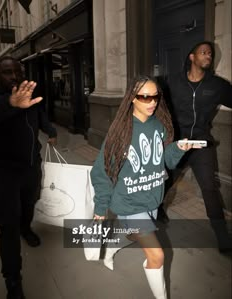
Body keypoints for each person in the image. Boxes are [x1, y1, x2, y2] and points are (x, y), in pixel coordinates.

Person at [90, 76, 199, 298]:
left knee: (131, 236)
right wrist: (101, 207)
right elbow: (101, 171)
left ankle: (110, 249)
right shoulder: (120, 131)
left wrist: (179, 147)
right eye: (145, 97)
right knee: (156, 255)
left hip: (152, 198)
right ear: (132, 98)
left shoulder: (158, 125)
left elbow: (165, 161)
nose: (152, 102)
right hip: (129, 202)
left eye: (155, 96)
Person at [159, 41, 232, 253]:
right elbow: (156, 101)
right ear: (192, 57)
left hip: (202, 144)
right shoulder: (173, 81)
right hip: (177, 143)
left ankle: (222, 237)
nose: (208, 55)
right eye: (203, 52)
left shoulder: (217, 86)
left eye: (210, 53)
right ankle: (157, 211)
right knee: (165, 179)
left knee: (210, 188)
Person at [0, 56, 57, 299]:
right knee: (7, 225)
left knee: (30, 203)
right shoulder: (4, 99)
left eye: (16, 71)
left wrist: (50, 131)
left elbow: (39, 114)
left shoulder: (28, 92)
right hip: (3, 172)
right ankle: (13, 280)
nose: (13, 76)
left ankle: (26, 228)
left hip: (31, 165)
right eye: (6, 72)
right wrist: (11, 104)